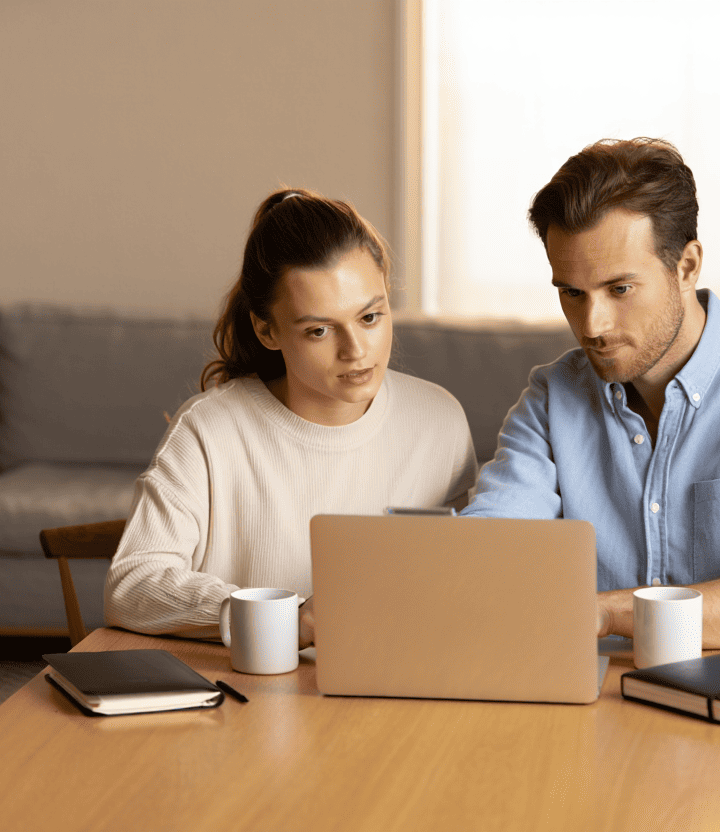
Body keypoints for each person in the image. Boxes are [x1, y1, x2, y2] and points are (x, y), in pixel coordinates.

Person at [463, 138, 720, 648]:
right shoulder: (553, 399)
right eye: (571, 293)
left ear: (686, 266)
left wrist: (608, 612)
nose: (592, 325)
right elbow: (490, 549)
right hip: (618, 688)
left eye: (620, 289)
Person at [105, 188, 477, 647]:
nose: (355, 350)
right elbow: (132, 584)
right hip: (248, 683)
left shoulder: (439, 420)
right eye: (319, 330)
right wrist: (286, 619)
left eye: (370, 317)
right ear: (267, 330)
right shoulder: (209, 430)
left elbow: (461, 580)